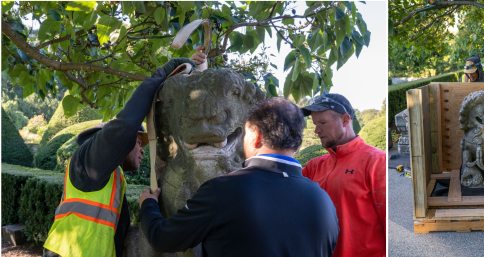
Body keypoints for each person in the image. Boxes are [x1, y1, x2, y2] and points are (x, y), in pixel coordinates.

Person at [42, 50, 208, 257]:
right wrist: (164, 72)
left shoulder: (109, 176)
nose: (141, 149)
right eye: (138, 142)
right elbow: (126, 125)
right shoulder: (88, 161)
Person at [139, 97, 339, 257]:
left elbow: (163, 238)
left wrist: (148, 204)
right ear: (297, 142)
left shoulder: (223, 190)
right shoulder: (323, 200)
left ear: (256, 135)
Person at [301, 93, 386, 257]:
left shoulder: (376, 161)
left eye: (322, 123)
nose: (317, 130)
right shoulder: (313, 166)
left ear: (345, 120)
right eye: (315, 124)